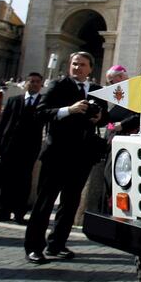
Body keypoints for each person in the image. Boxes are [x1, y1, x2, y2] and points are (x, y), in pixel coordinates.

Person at [25, 52, 108, 264]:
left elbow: (105, 119)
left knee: (70, 203)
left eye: (82, 65)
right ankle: (34, 246)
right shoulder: (57, 85)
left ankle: (57, 243)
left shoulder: (98, 91)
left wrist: (100, 118)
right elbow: (40, 112)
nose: (77, 68)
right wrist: (67, 110)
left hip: (82, 155)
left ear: (91, 68)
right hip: (57, 153)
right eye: (74, 64)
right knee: (45, 202)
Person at [99, 65, 141, 213]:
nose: (110, 85)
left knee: (118, 176)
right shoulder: (114, 92)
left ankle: (115, 210)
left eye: (111, 81)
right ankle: (106, 210)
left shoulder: (138, 89)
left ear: (121, 77)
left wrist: (122, 125)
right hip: (111, 137)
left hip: (128, 136)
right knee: (107, 176)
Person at [0, 72, 45, 224]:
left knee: (24, 181)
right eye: (31, 81)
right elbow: (3, 124)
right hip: (10, 147)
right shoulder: (13, 100)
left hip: (30, 148)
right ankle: (3, 212)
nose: (34, 84)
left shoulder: (43, 103)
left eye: (37, 82)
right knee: (7, 180)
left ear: (41, 85)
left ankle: (19, 214)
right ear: (26, 83)